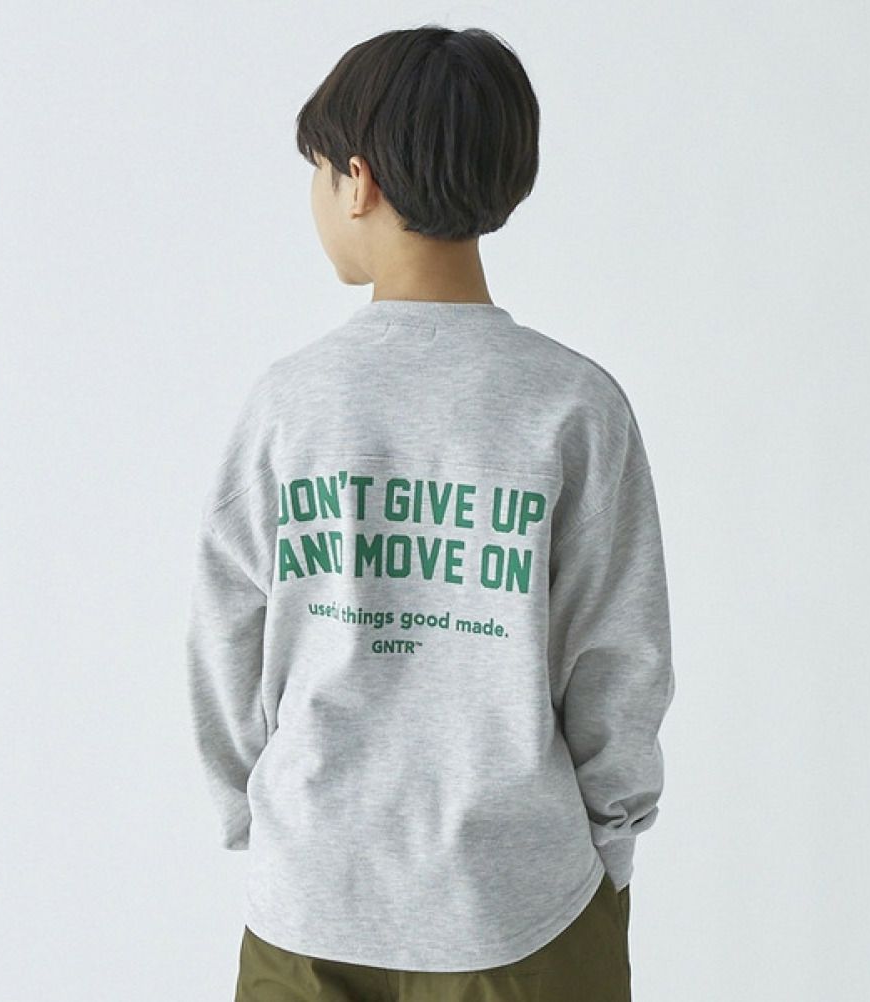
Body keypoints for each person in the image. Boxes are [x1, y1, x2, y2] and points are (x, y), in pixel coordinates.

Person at [185, 23, 675, 1002]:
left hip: (309, 904)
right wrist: (609, 844)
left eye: (319, 169)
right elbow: (619, 659)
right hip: (522, 907)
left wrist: (257, 818)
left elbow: (226, 633)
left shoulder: (292, 403)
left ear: (357, 182)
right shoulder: (573, 404)